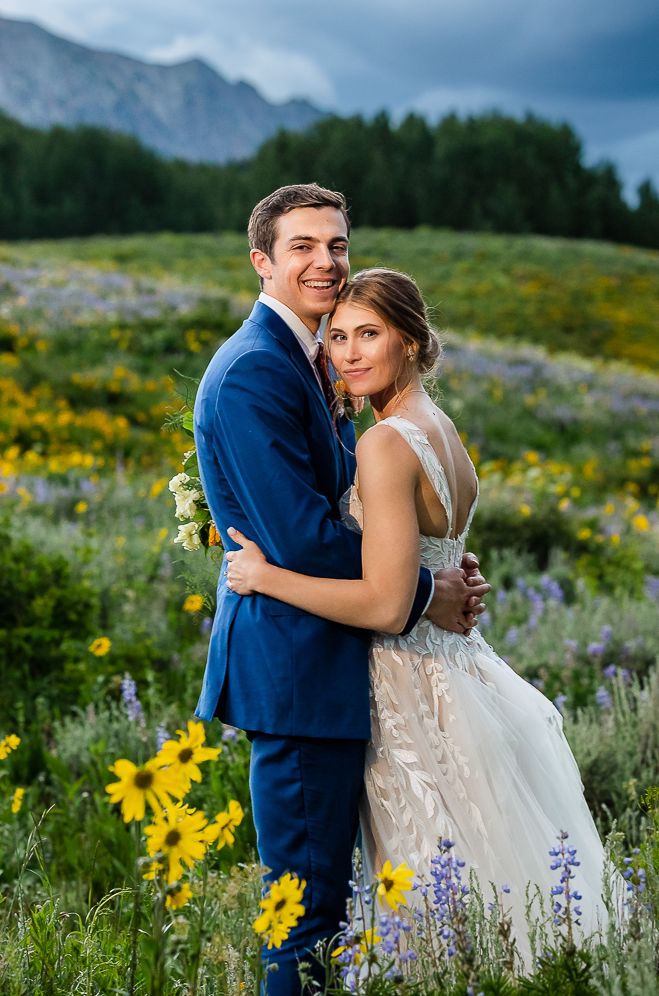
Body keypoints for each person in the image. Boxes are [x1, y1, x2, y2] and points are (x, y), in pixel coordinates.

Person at [225, 266, 611, 957]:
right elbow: (436, 553)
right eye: (337, 336)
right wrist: (443, 583)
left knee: (432, 909)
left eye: (368, 334)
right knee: (489, 889)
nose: (347, 352)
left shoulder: (382, 442)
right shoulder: (439, 427)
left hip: (410, 694)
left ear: (409, 340)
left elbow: (382, 601)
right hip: (465, 679)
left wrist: (264, 575)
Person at [193, 186, 489, 995]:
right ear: (262, 261)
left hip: (338, 667)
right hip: (296, 677)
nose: (325, 261)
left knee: (332, 914)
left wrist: (428, 573)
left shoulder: (309, 359)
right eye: (303, 246)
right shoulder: (256, 370)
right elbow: (305, 542)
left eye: (337, 245)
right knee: (304, 917)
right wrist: (427, 587)